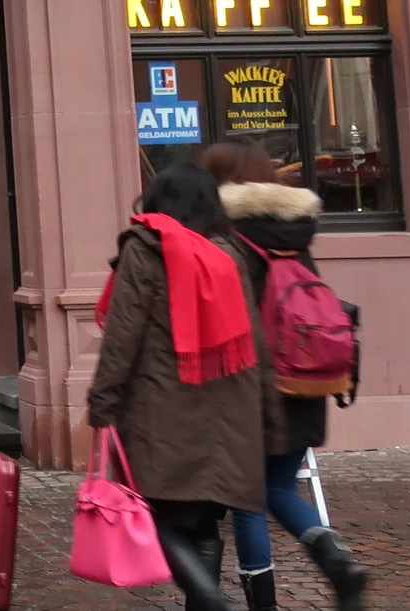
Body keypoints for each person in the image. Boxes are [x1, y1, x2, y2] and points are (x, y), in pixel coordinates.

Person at [87, 164, 275, 611]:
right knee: (203, 524)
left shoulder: (146, 247)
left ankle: (212, 600)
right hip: (225, 418)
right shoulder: (230, 254)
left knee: (159, 519)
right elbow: (255, 341)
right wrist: (266, 412)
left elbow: (122, 334)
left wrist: (102, 401)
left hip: (161, 413)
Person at [203, 142, 371, 611]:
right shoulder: (295, 232)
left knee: (249, 498)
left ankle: (264, 603)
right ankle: (333, 556)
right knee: (278, 487)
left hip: (255, 386)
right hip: (309, 380)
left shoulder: (228, 237)